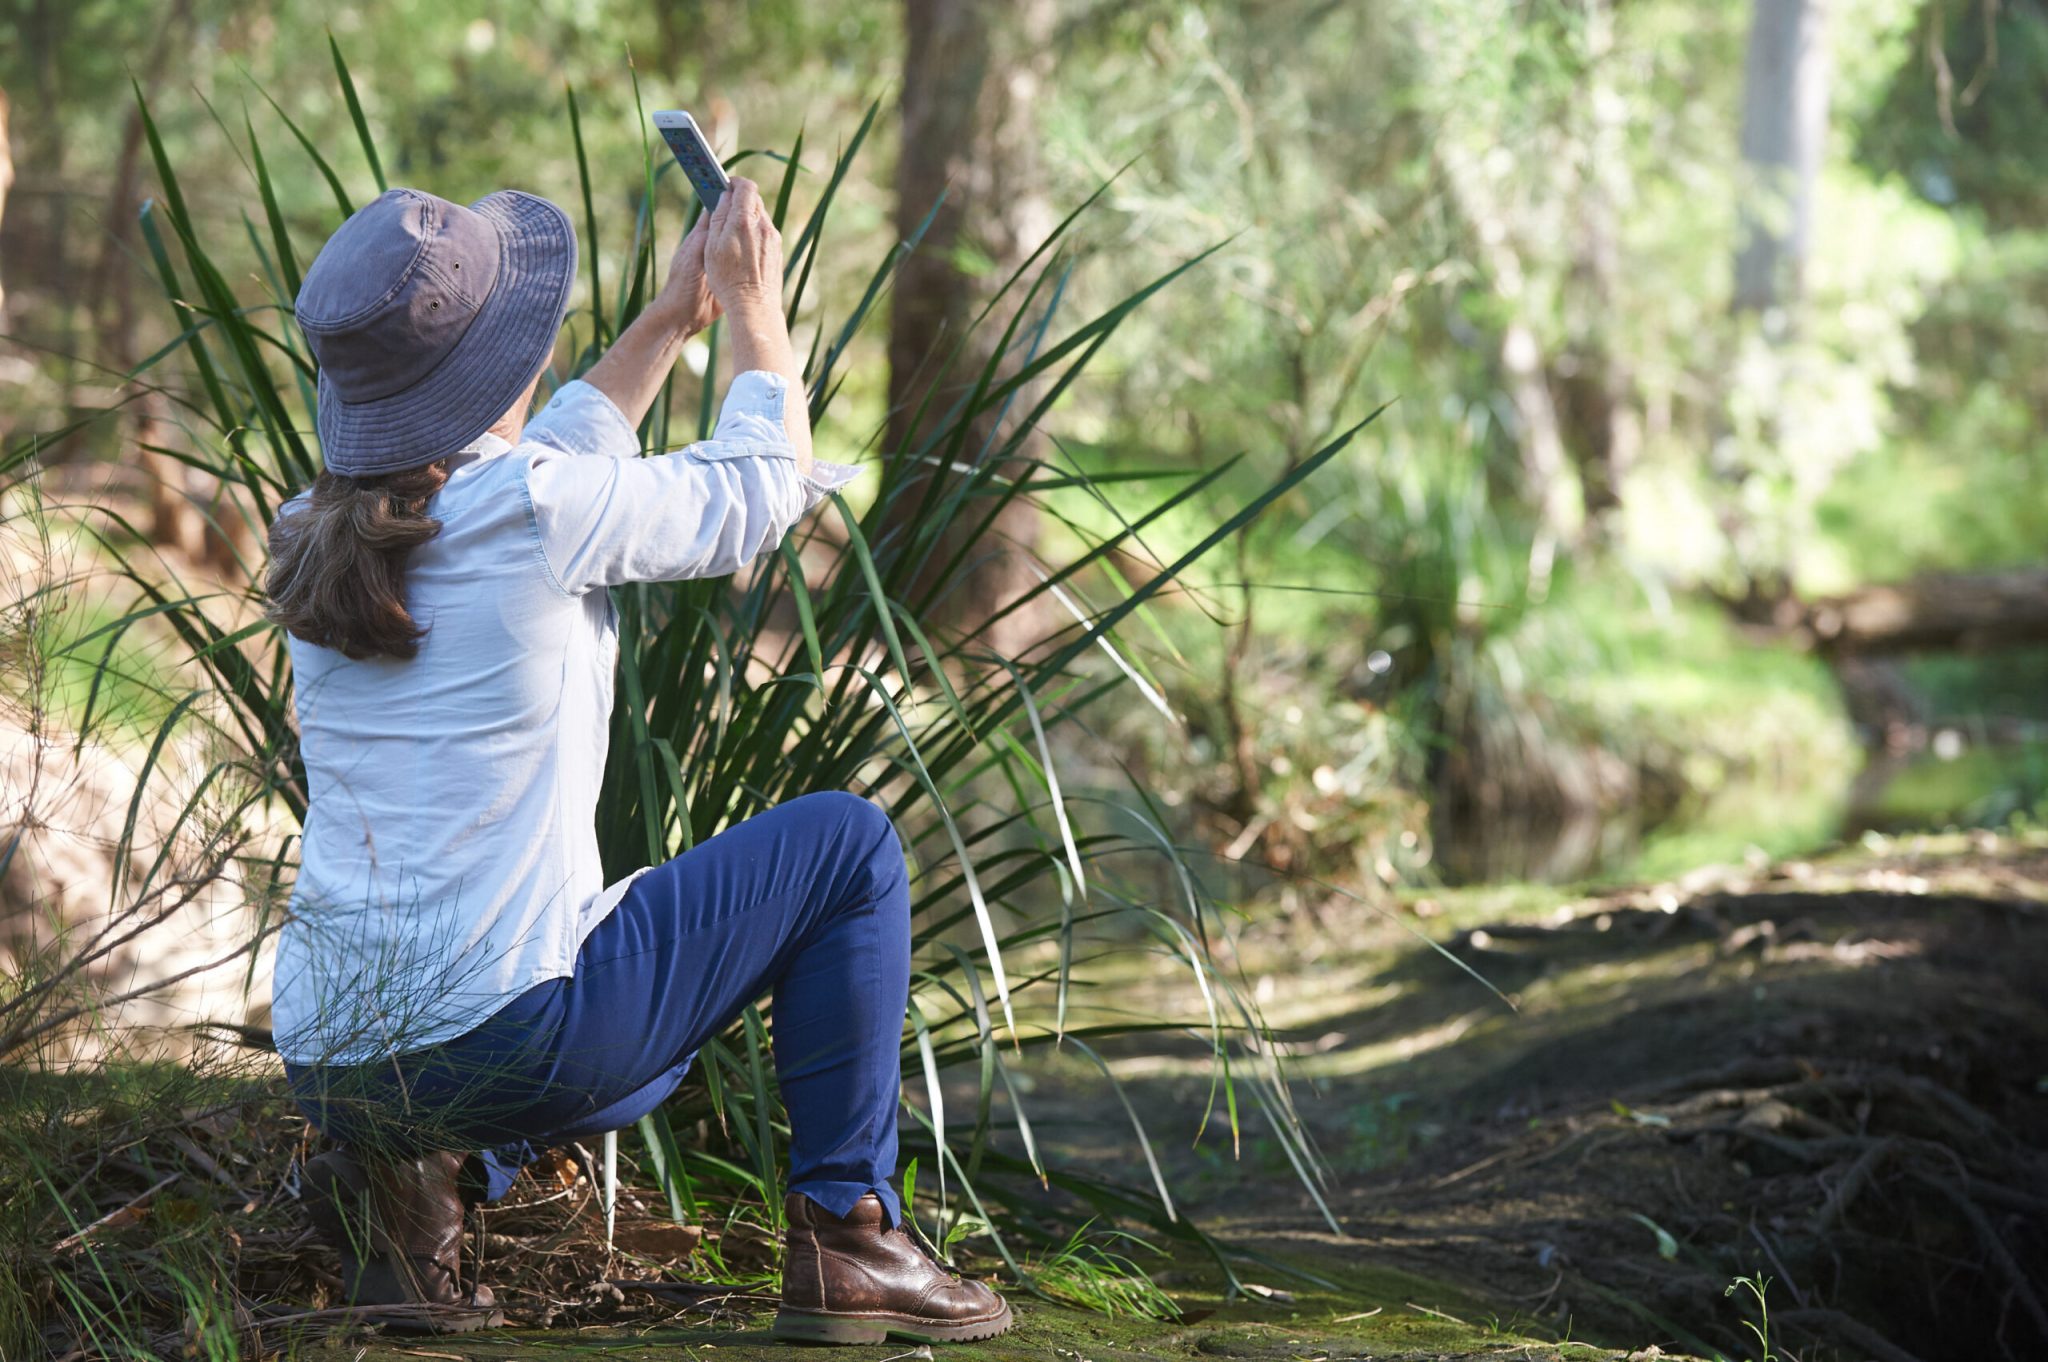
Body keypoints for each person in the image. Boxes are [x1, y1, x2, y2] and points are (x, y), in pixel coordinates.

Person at [265, 178, 1012, 1346]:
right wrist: (754, 309)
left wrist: (670, 317)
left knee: (611, 1048)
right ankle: (851, 1234)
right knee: (849, 847)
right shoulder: (531, 510)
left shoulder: (316, 526)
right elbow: (762, 494)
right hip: (507, 1046)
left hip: (334, 1063)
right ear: (488, 367)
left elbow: (539, 464)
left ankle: (405, 1226)